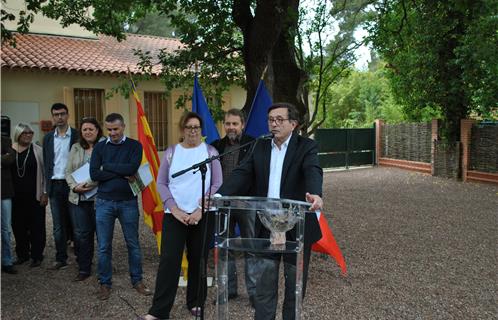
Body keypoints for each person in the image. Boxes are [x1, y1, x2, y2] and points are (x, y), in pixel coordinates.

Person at [216, 102, 324, 320]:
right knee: (264, 286)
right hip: (266, 224)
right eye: (270, 119)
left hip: (296, 225)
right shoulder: (261, 146)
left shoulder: (306, 146)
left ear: (293, 124)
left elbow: (313, 170)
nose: (273, 124)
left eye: (279, 120)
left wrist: (315, 193)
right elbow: (242, 173)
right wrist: (220, 195)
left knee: (294, 286)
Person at [140, 112, 222, 320]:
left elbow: (217, 183)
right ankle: (159, 311)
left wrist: (200, 210)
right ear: (182, 129)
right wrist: (174, 209)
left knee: (198, 259)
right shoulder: (171, 152)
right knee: (169, 261)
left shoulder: (210, 151)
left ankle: (196, 302)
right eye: (189, 127)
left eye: (196, 127)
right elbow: (161, 183)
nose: (193, 131)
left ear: (201, 130)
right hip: (174, 215)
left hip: (201, 215)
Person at [90, 113, 151, 300]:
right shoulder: (100, 147)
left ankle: (137, 280)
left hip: (127, 202)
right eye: (109, 129)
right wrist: (119, 170)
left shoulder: (134, 146)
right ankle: (105, 283)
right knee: (103, 246)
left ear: (123, 126)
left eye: (115, 129)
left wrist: (106, 166)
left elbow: (132, 169)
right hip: (104, 202)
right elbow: (94, 174)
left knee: (133, 243)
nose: (112, 133)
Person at [211, 108, 257, 304]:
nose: (231, 127)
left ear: (243, 125)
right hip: (222, 204)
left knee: (251, 247)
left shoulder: (253, 144)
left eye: (235, 124)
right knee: (224, 247)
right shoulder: (215, 146)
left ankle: (254, 294)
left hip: (247, 203)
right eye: (228, 123)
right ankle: (229, 291)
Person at [65, 117, 104, 282]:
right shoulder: (75, 147)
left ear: (97, 130)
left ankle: (104, 269)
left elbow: (106, 170)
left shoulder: (105, 147)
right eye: (85, 129)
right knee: (81, 235)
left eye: (91, 129)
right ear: (81, 132)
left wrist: (88, 184)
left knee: (102, 235)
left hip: (100, 198)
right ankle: (84, 268)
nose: (88, 132)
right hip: (78, 198)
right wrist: (74, 187)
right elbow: (67, 171)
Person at [43, 103, 78, 270]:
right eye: (56, 114)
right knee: (58, 225)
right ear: (52, 117)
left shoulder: (77, 136)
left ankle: (80, 256)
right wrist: (45, 188)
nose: (59, 117)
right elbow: (47, 164)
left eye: (62, 114)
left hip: (73, 185)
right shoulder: (48, 138)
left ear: (68, 115)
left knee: (77, 223)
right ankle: (60, 257)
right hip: (55, 185)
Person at [11, 123, 48, 268]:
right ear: (18, 134)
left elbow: (45, 174)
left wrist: (45, 193)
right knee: (18, 227)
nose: (28, 135)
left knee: (37, 226)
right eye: (24, 133)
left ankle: (37, 255)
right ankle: (22, 254)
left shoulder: (38, 150)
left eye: (30, 133)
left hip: (35, 196)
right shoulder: (9, 150)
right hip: (15, 197)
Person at [2, 135, 17, 274]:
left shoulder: (5, 140)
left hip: (4, 192)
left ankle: (6, 261)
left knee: (6, 229)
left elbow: (10, 159)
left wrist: (5, 158)